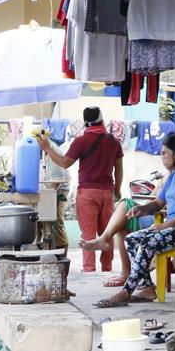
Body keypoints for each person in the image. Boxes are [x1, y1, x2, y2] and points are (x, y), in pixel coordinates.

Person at [91, 132, 175, 307]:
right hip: (168, 228)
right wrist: (141, 209)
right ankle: (147, 288)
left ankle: (126, 291)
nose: (161, 157)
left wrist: (164, 226)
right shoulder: (172, 178)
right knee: (131, 239)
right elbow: (157, 203)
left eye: (164, 153)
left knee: (147, 242)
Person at [36, 107, 123, 273]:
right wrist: (117, 190)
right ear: (102, 121)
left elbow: (64, 163)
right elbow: (119, 169)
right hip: (107, 192)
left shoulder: (81, 141)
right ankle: (107, 269)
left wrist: (47, 148)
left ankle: (89, 269)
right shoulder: (114, 141)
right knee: (107, 233)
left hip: (87, 194)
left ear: (85, 123)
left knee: (88, 234)